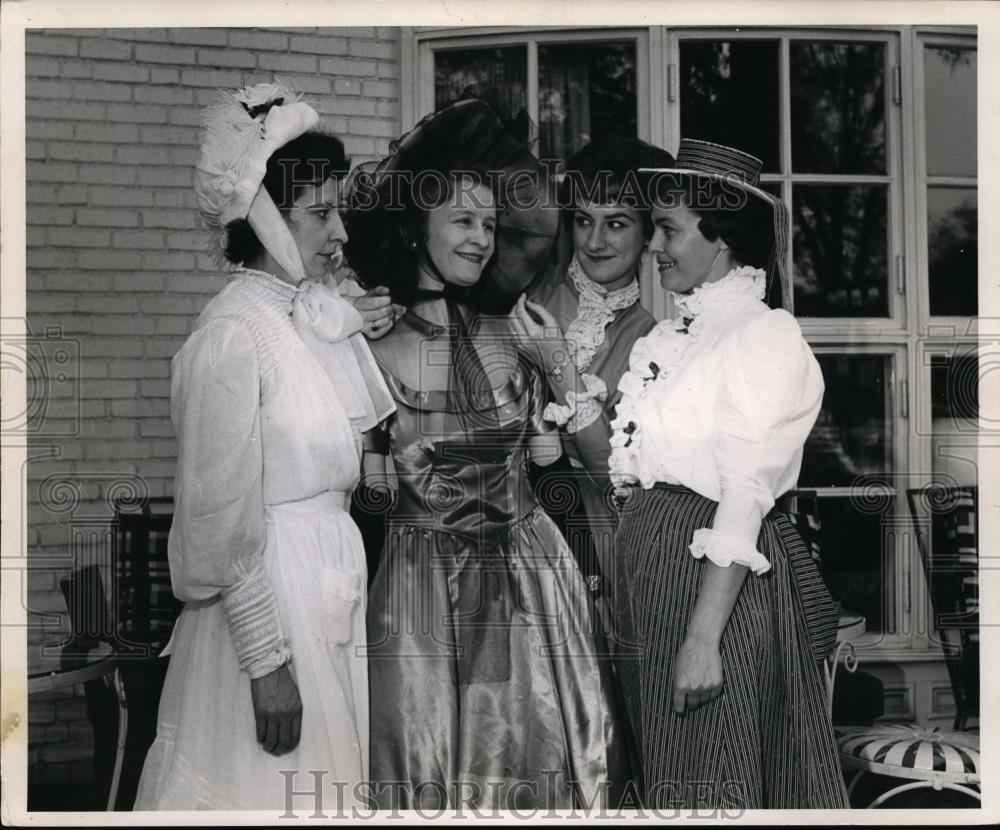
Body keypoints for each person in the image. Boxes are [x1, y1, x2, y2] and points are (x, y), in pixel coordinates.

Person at [345, 99, 627, 810]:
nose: (480, 239)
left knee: (540, 767)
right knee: (429, 767)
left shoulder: (514, 336)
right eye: (463, 221)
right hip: (423, 587)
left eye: (490, 224)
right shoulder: (366, 346)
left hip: (533, 582)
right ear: (416, 224)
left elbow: (554, 463)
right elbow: (360, 496)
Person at [134, 82, 394, 810]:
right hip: (272, 611)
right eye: (320, 213)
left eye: (337, 209)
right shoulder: (231, 335)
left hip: (326, 589)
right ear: (266, 220)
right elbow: (217, 515)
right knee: (272, 790)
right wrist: (266, 662)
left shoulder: (306, 320)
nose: (340, 232)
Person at [608, 139, 849, 809]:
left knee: (711, 776)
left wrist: (702, 637)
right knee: (666, 774)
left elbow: (744, 492)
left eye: (669, 229)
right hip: (651, 581)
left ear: (720, 241)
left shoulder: (762, 336)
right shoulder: (669, 339)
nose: (652, 244)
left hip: (712, 587)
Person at [510, 137, 674, 624]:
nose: (595, 241)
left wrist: (559, 364)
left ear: (647, 234)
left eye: (616, 223)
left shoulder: (652, 341)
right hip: (504, 520)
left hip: (593, 544)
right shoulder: (526, 292)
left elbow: (613, 474)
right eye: (584, 221)